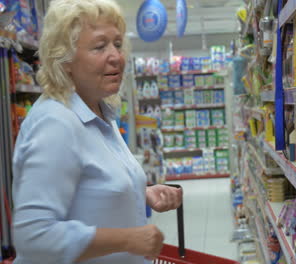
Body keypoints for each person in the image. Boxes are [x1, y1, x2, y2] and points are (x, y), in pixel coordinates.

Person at [11, 0, 182, 263]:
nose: (115, 56)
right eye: (100, 46)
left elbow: (90, 181)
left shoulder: (99, 109)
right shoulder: (56, 122)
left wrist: (138, 191)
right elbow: (34, 235)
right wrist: (127, 239)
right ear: (65, 59)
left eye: (117, 43)